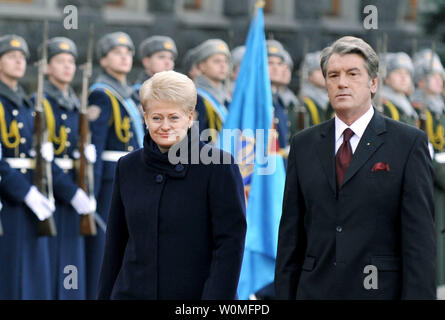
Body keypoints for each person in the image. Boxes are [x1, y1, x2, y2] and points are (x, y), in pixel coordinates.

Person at [275, 36, 436, 299]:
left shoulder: (408, 144)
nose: (342, 83)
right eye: (333, 75)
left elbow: (419, 244)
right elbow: (290, 238)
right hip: (314, 291)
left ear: (373, 83)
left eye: (352, 74)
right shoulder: (303, 145)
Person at [97, 70, 246, 299]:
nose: (164, 126)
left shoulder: (219, 167)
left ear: (189, 118)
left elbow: (229, 248)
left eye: (174, 117)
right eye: (156, 117)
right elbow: (115, 245)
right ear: (145, 118)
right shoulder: (127, 167)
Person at [32, 37, 97, 299]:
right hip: (51, 193)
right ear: (46, 68)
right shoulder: (41, 103)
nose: (68, 67)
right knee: (49, 265)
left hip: (75, 193)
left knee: (72, 262)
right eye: (60, 61)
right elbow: (44, 161)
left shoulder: (75, 105)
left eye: (71, 61)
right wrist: (71, 192)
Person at [85, 31, 144, 300]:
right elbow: (93, 149)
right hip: (109, 183)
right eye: (117, 52)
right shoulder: (101, 94)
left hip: (131, 178)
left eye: (128, 52)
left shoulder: (130, 95)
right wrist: (92, 193)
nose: (124, 57)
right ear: (104, 59)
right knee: (106, 249)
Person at [0, 34, 55, 299]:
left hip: (30, 193)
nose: (19, 62)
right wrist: (25, 192)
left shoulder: (25, 103)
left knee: (32, 274)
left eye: (22, 58)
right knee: (9, 273)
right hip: (8, 197)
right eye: (12, 57)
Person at [411, 48, 445, 286]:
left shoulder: (439, 109)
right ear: (420, 81)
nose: (440, 80)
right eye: (434, 76)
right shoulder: (416, 109)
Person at [194, 39, 231, 142]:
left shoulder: (227, 98)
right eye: (217, 61)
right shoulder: (195, 97)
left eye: (225, 61)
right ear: (202, 66)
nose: (223, 65)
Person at [266, 40, 291, 159]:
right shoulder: (258, 101)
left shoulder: (278, 100)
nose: (276, 68)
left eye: (279, 63)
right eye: (270, 63)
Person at [380, 52, 418, 126]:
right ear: (387, 78)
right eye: (398, 72)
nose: (403, 77)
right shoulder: (383, 105)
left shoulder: (407, 103)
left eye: (407, 73)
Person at [299, 51, 330, 126]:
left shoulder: (328, 98)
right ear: (308, 75)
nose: (324, 73)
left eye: (326, 69)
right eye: (319, 69)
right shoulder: (304, 101)